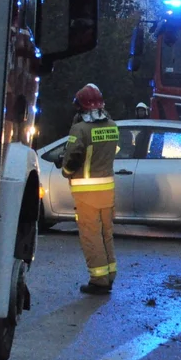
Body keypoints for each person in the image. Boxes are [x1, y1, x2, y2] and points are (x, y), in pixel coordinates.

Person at [60, 84, 119, 295]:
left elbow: (73, 157)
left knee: (91, 236)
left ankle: (99, 280)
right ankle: (110, 274)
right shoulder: (112, 126)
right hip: (107, 192)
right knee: (106, 234)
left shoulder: (80, 129)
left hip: (87, 194)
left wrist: (65, 170)